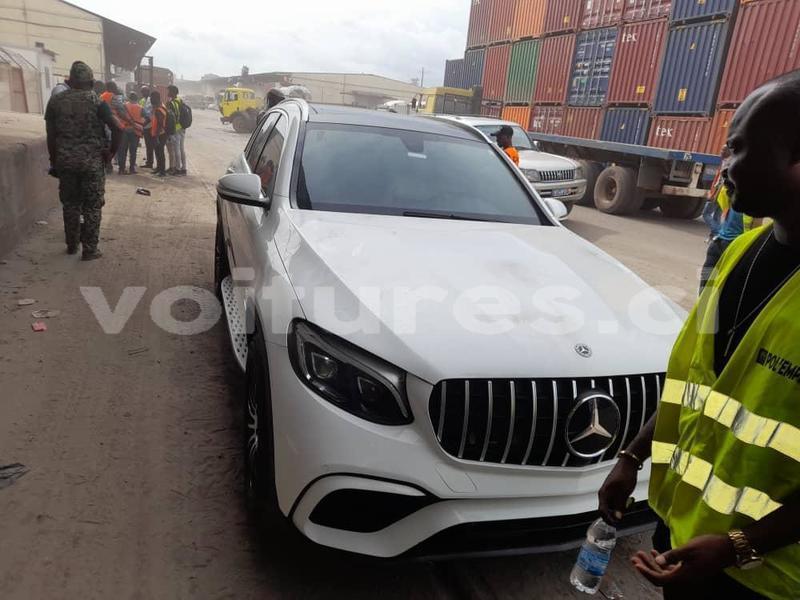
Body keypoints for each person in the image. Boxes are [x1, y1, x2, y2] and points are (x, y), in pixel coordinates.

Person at [597, 71, 800, 600]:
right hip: (685, 538)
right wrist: (630, 459)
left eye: (738, 148)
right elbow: (692, 385)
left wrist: (738, 547)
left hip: (769, 575)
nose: (725, 166)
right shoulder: (737, 254)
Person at [45, 61, 119, 261]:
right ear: (91, 82)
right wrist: (110, 153)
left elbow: (51, 136)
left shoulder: (55, 102)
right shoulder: (97, 102)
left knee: (70, 204)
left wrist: (54, 161)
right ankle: (90, 250)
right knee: (92, 206)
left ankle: (71, 245)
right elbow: (117, 128)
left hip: (66, 163)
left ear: (69, 80)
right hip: (92, 164)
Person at [114, 92, 143, 174]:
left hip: (124, 130)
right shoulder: (140, 108)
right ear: (136, 99)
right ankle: (132, 168)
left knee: (122, 150)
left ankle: (121, 169)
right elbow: (147, 117)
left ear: (129, 98)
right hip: (135, 130)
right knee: (133, 151)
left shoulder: (123, 106)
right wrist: (140, 125)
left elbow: (118, 115)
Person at [166, 85, 187, 175]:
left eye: (169, 91)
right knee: (181, 149)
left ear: (172, 92)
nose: (167, 93)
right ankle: (183, 168)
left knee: (176, 149)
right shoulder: (180, 101)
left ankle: (177, 169)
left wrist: (169, 129)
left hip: (176, 128)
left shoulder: (172, 103)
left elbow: (171, 118)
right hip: (182, 127)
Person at [149, 90, 168, 177]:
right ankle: (159, 168)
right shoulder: (160, 106)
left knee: (160, 152)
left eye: (152, 97)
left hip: (160, 134)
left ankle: (162, 171)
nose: (151, 99)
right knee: (157, 152)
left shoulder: (159, 110)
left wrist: (156, 136)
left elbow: (160, 123)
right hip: (158, 133)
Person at [139, 86, 154, 169]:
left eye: (144, 91)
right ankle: (149, 162)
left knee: (150, 145)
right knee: (148, 145)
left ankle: (150, 163)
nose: (143, 93)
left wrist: (143, 125)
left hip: (149, 126)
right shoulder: (142, 100)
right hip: (144, 125)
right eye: (142, 91)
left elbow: (149, 116)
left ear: (148, 92)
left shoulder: (151, 101)